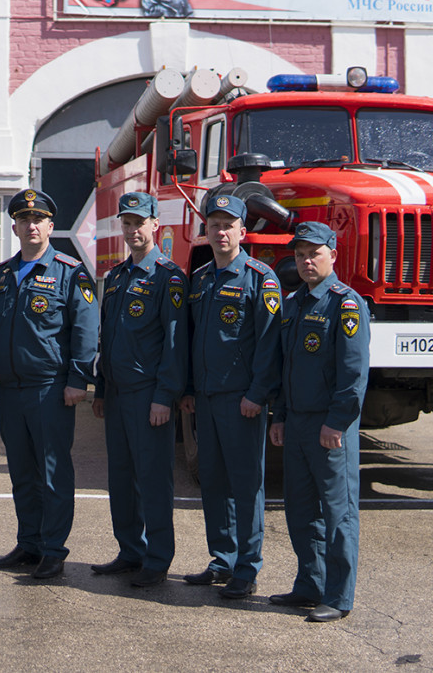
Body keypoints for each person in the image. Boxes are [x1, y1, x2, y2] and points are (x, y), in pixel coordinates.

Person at [0, 189, 99, 580]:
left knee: (52, 473)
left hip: (50, 388)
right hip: (11, 390)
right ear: (14, 226)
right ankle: (28, 542)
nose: (31, 225)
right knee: (22, 473)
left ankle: (53, 549)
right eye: (24, 219)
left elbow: (85, 330)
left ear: (50, 225)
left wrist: (79, 379)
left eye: (39, 219)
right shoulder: (2, 274)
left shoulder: (69, 271)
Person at [178, 195, 281, 599]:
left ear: (243, 231)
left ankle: (247, 566)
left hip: (242, 401)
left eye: (228, 225)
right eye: (214, 224)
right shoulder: (200, 279)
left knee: (245, 484)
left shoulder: (260, 278)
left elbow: (270, 345)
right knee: (213, 482)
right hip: (205, 398)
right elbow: (191, 341)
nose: (221, 232)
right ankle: (222, 558)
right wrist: (187, 389)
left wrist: (258, 395)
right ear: (206, 230)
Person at [268, 221, 369, 623]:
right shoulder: (293, 304)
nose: (306, 261)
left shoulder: (346, 304)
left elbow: (353, 372)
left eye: (314, 253)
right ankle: (309, 584)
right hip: (296, 425)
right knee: (300, 508)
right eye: (299, 255)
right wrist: (281, 416)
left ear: (333, 256)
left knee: (338, 514)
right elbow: (286, 368)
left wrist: (337, 423)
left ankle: (339, 595)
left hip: (329, 429)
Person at [91, 191, 188, 587]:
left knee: (152, 479)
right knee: (122, 477)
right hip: (116, 395)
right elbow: (107, 338)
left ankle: (158, 557)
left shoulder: (169, 278)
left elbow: (174, 344)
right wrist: (100, 390)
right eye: (126, 223)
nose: (132, 230)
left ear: (155, 225)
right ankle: (129, 550)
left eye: (139, 223)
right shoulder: (115, 278)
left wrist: (164, 397)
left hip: (149, 396)